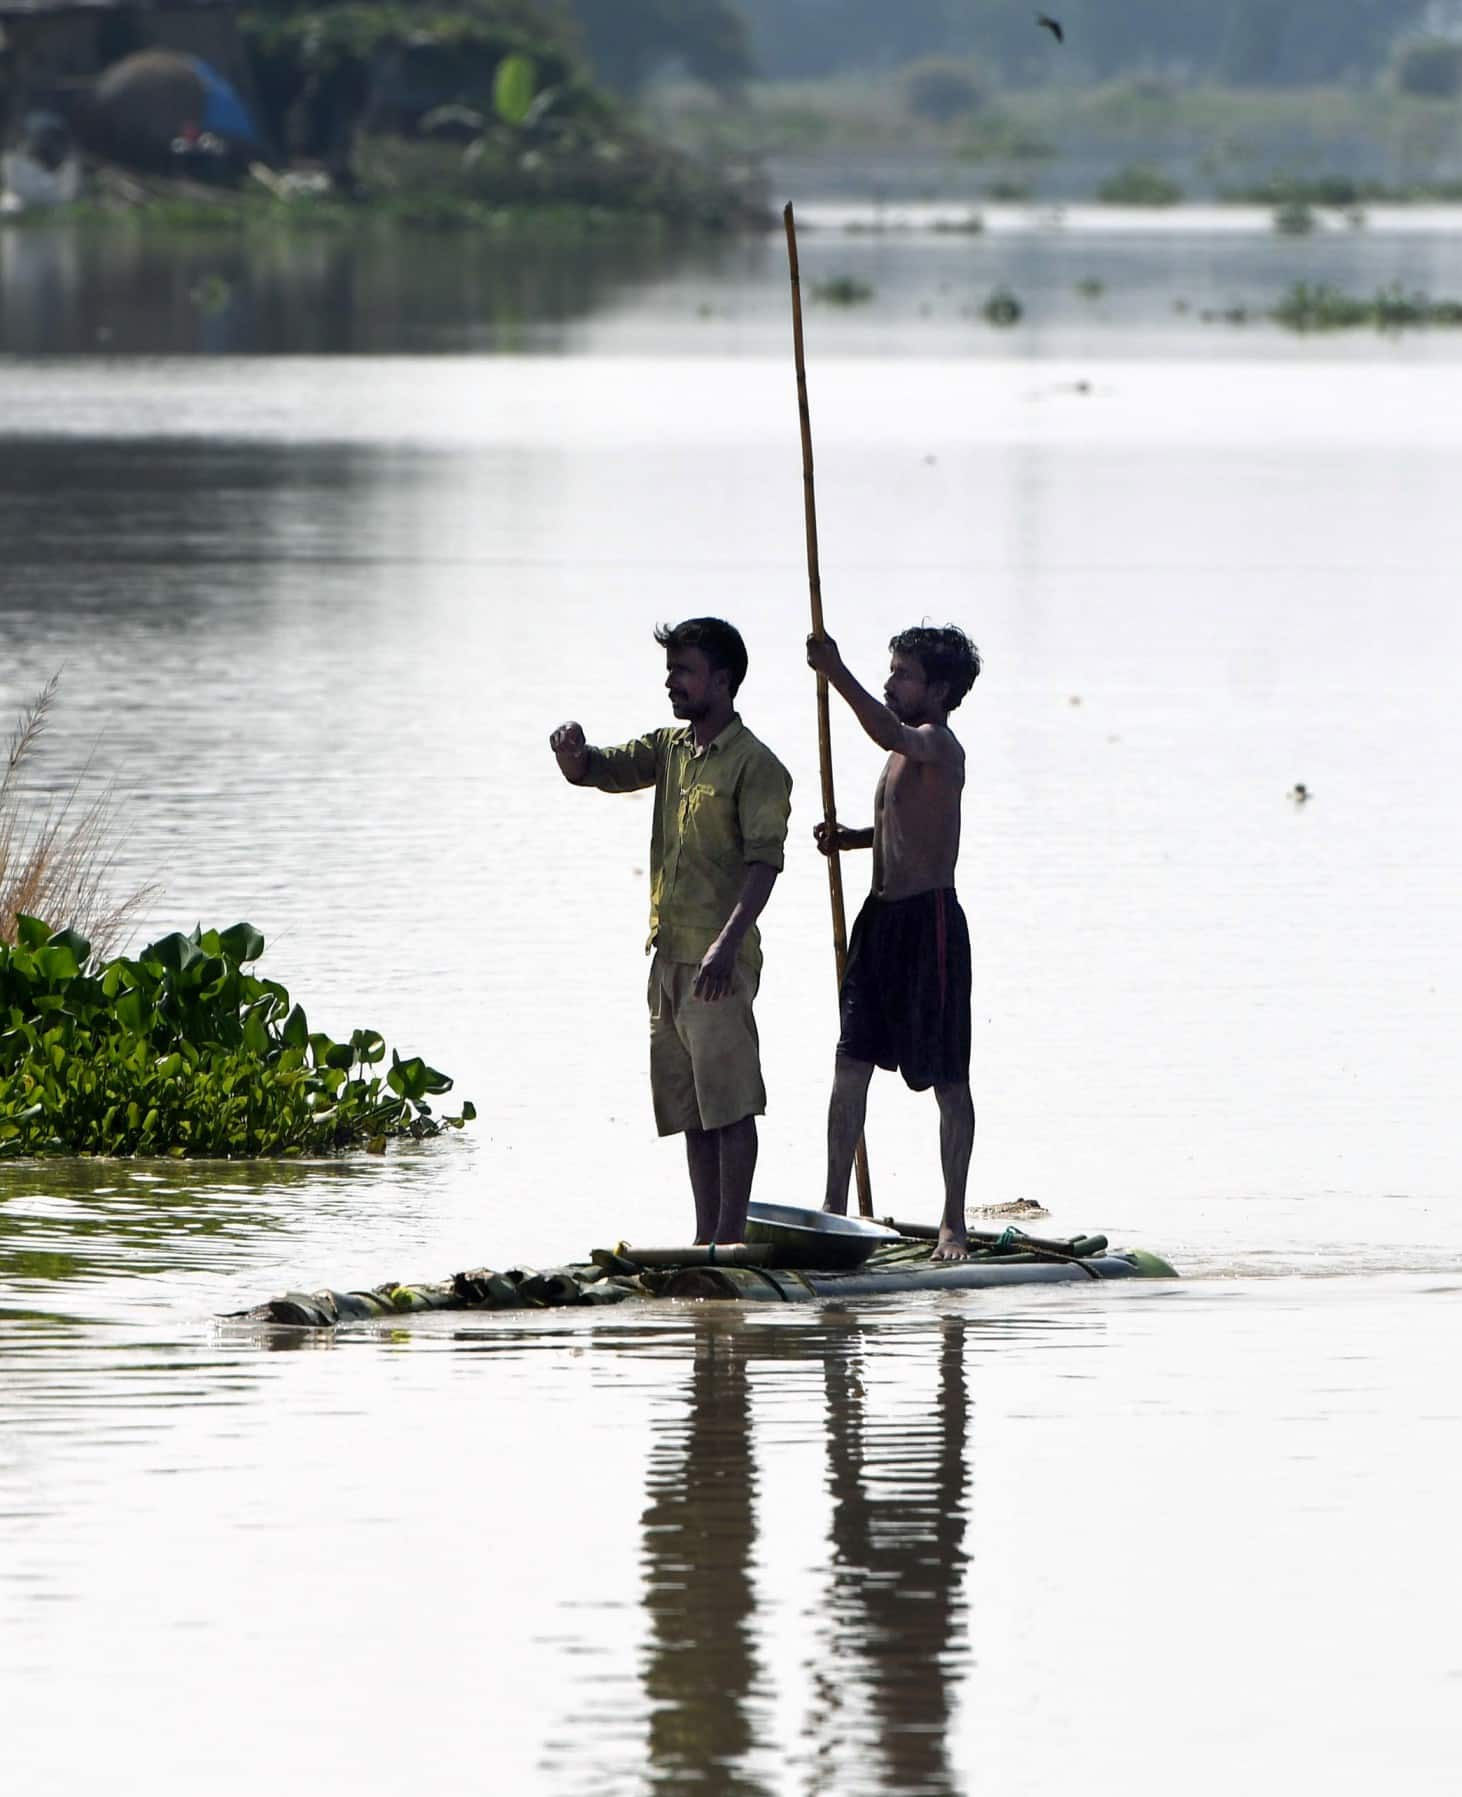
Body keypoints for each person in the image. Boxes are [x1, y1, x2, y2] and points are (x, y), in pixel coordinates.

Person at [550, 618, 792, 1245]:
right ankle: (704, 1236)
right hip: (670, 957)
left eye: (684, 671)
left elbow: (766, 863)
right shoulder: (671, 749)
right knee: (691, 1110)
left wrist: (728, 942)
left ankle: (731, 1238)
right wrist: (573, 757)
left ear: (723, 680)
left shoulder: (756, 766)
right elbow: (601, 769)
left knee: (730, 1105)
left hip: (720, 958)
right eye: (671, 670)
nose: (671, 683)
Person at [805, 624, 981, 1260]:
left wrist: (836, 672)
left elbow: (886, 730)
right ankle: (832, 1206)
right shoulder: (903, 750)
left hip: (928, 923)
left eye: (902, 674)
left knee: (947, 1077)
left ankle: (952, 1223)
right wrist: (853, 838)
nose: (890, 682)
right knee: (849, 1063)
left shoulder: (935, 743)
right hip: (878, 921)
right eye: (891, 672)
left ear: (938, 689)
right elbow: (906, 828)